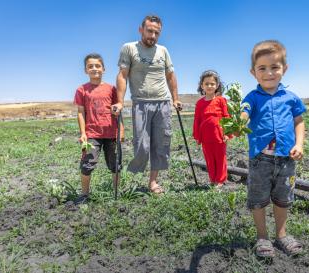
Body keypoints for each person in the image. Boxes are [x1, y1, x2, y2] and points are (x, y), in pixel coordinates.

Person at [240, 40, 306, 257]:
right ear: (253, 72)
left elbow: (299, 121)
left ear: (284, 69)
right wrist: (240, 120)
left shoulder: (291, 98)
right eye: (262, 68)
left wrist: (299, 144)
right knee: (258, 199)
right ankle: (262, 237)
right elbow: (245, 111)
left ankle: (281, 234)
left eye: (274, 67)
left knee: (283, 197)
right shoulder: (252, 97)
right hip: (261, 159)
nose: (269, 73)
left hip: (286, 159)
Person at [112, 15, 182, 194]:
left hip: (163, 103)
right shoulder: (129, 48)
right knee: (142, 145)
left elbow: (170, 76)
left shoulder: (163, 51)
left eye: (156, 32)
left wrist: (175, 98)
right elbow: (122, 75)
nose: (152, 35)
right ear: (141, 29)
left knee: (161, 144)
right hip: (141, 103)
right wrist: (120, 102)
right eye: (150, 31)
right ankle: (134, 172)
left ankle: (153, 182)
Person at [73, 53, 124, 205]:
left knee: (115, 164)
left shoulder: (111, 89)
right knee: (87, 164)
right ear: (85, 70)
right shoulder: (82, 90)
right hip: (92, 134)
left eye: (97, 65)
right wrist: (83, 133)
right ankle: (84, 195)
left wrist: (121, 130)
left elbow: (118, 111)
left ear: (104, 69)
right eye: (90, 66)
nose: (94, 68)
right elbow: (81, 113)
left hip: (111, 133)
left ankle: (117, 193)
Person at [193, 70, 232, 188]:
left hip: (219, 136)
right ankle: (212, 179)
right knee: (209, 159)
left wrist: (227, 134)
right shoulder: (199, 103)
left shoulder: (221, 100)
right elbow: (197, 120)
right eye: (206, 84)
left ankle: (220, 180)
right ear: (202, 86)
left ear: (217, 85)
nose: (209, 86)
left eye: (212, 84)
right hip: (206, 137)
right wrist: (197, 137)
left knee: (220, 158)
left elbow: (227, 117)